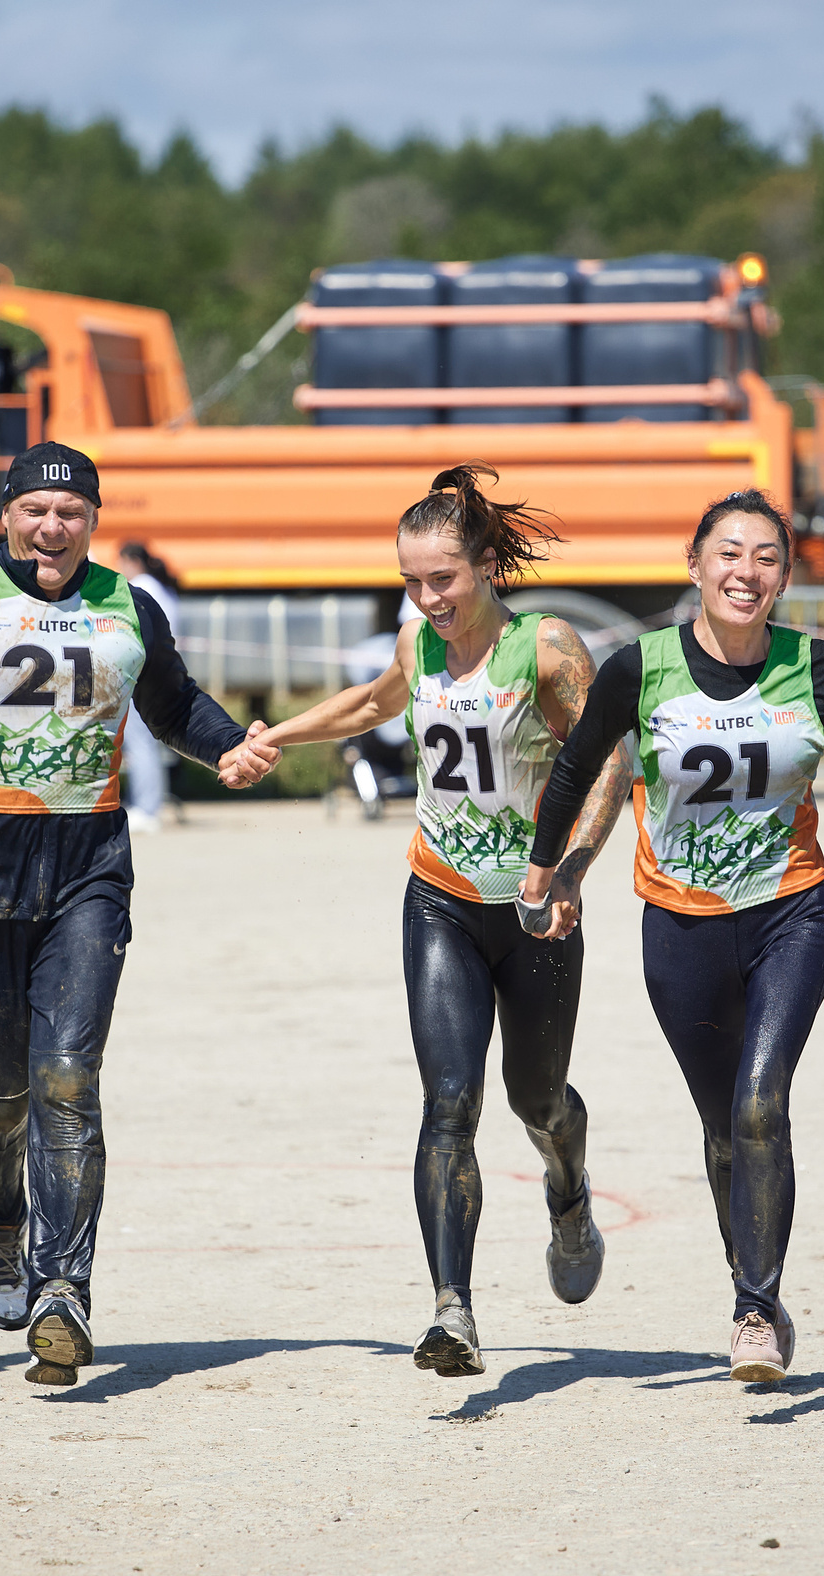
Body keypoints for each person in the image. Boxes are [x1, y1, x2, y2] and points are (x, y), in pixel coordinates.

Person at [0, 443, 281, 1386]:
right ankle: (1, 1219)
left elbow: (175, 706)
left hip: (88, 869)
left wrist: (230, 747)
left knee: (68, 1078)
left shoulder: (128, 604)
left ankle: (61, 1290)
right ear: (5, 514)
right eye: (34, 509)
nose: (51, 528)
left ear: (93, 520)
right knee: (4, 1099)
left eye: (70, 513)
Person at [521, 489, 824, 1384]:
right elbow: (578, 764)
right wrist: (545, 866)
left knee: (760, 1103)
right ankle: (759, 1286)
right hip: (680, 929)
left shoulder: (813, 667)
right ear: (696, 564)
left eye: (767, 559)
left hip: (790, 913)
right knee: (721, 1129)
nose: (747, 573)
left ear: (785, 575)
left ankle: (753, 1310)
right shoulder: (641, 668)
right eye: (730, 555)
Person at [258, 465, 636, 1377]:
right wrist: (273, 738)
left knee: (537, 1100)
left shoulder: (544, 649)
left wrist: (573, 871)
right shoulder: (417, 645)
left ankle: (567, 1188)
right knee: (449, 1101)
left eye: (444, 580)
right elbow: (371, 703)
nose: (428, 599)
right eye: (411, 581)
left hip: (536, 909)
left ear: (484, 569)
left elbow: (609, 764)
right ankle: (452, 1310)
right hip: (440, 899)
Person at [114, 543, 182, 832]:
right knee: (146, 743)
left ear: (130, 561)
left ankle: (147, 808)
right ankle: (148, 804)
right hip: (160, 669)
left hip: (142, 671)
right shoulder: (160, 587)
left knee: (139, 743)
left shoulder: (140, 587)